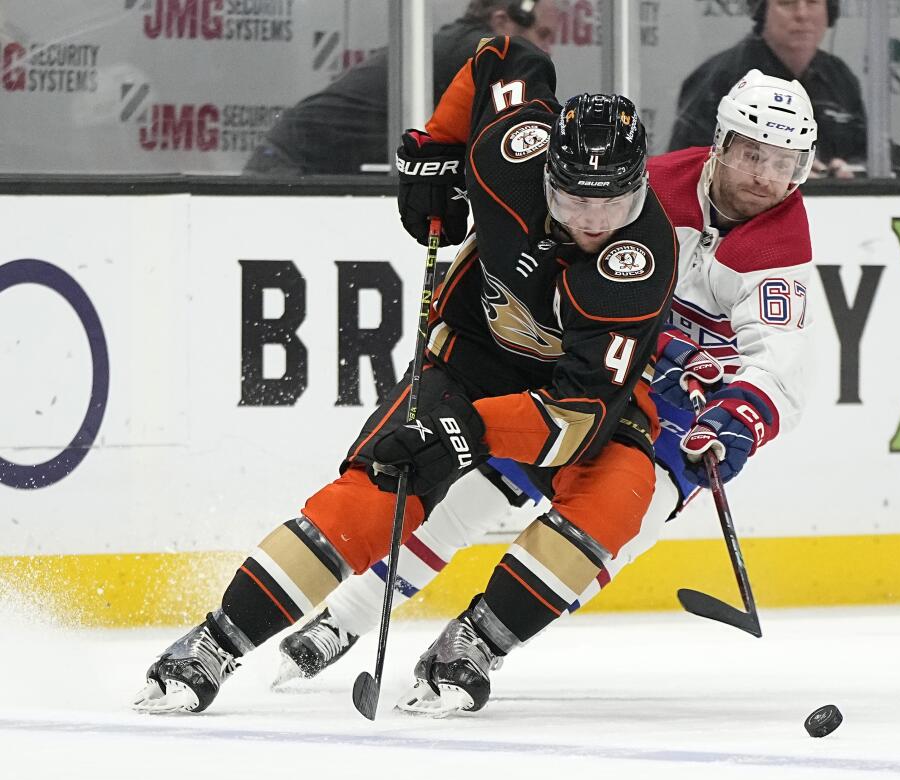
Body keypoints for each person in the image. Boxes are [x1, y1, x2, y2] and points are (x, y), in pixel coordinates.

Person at [132, 34, 679, 715]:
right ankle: (215, 642)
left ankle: (474, 644)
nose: (594, 221)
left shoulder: (641, 263)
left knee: (623, 488)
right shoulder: (511, 152)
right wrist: (436, 148)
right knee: (377, 493)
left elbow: (576, 417)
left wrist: (469, 431)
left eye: (613, 203)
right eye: (574, 200)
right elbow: (504, 56)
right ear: (546, 172)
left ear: (641, 189)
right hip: (470, 357)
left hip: (571, 395)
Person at [274, 70, 819, 717]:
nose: (764, 176)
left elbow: (777, 368)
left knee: (607, 532)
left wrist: (734, 422)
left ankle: (475, 643)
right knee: (469, 491)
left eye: (783, 163)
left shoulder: (781, 250)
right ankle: (345, 618)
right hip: (585, 372)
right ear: (722, 143)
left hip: (676, 417)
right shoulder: (646, 184)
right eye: (753, 153)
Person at [242, 0, 559, 176]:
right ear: (503, 21)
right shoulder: (479, 53)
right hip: (290, 169)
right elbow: (523, 137)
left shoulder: (458, 48)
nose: (548, 49)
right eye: (543, 34)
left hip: (299, 165)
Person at [668, 0, 862, 179]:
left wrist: (851, 168)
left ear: (830, 10)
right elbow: (685, 171)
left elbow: (873, 154)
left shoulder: (839, 78)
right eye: (787, 2)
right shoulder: (718, 79)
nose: (802, 14)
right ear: (762, 11)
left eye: (812, 1)